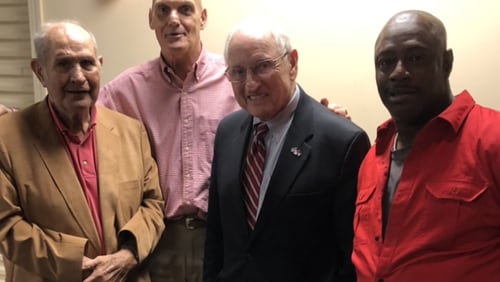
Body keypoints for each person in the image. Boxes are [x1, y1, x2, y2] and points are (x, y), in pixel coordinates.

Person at [96, 1, 350, 281]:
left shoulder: (238, 72)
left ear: (203, 18)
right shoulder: (124, 91)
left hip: (228, 237)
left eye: (185, 9)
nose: (174, 20)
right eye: (163, 10)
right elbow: (88, 132)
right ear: (150, 19)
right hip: (160, 241)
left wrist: (331, 120)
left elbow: (291, 113)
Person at [203, 18, 370, 282]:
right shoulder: (227, 132)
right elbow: (216, 236)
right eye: (238, 72)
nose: (250, 84)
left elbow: (351, 257)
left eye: (262, 67)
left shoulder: (342, 142)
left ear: (292, 63)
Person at [0, 21, 165, 281]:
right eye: (64, 64)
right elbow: (6, 224)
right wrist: (74, 263)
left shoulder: (132, 132)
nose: (78, 76)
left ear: (99, 65)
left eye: (87, 63)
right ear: (40, 71)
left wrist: (128, 255)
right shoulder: (7, 136)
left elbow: (153, 204)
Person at [352, 10, 500, 282]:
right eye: (385, 62)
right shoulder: (372, 158)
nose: (398, 72)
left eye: (415, 58)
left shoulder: (493, 138)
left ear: (446, 63)